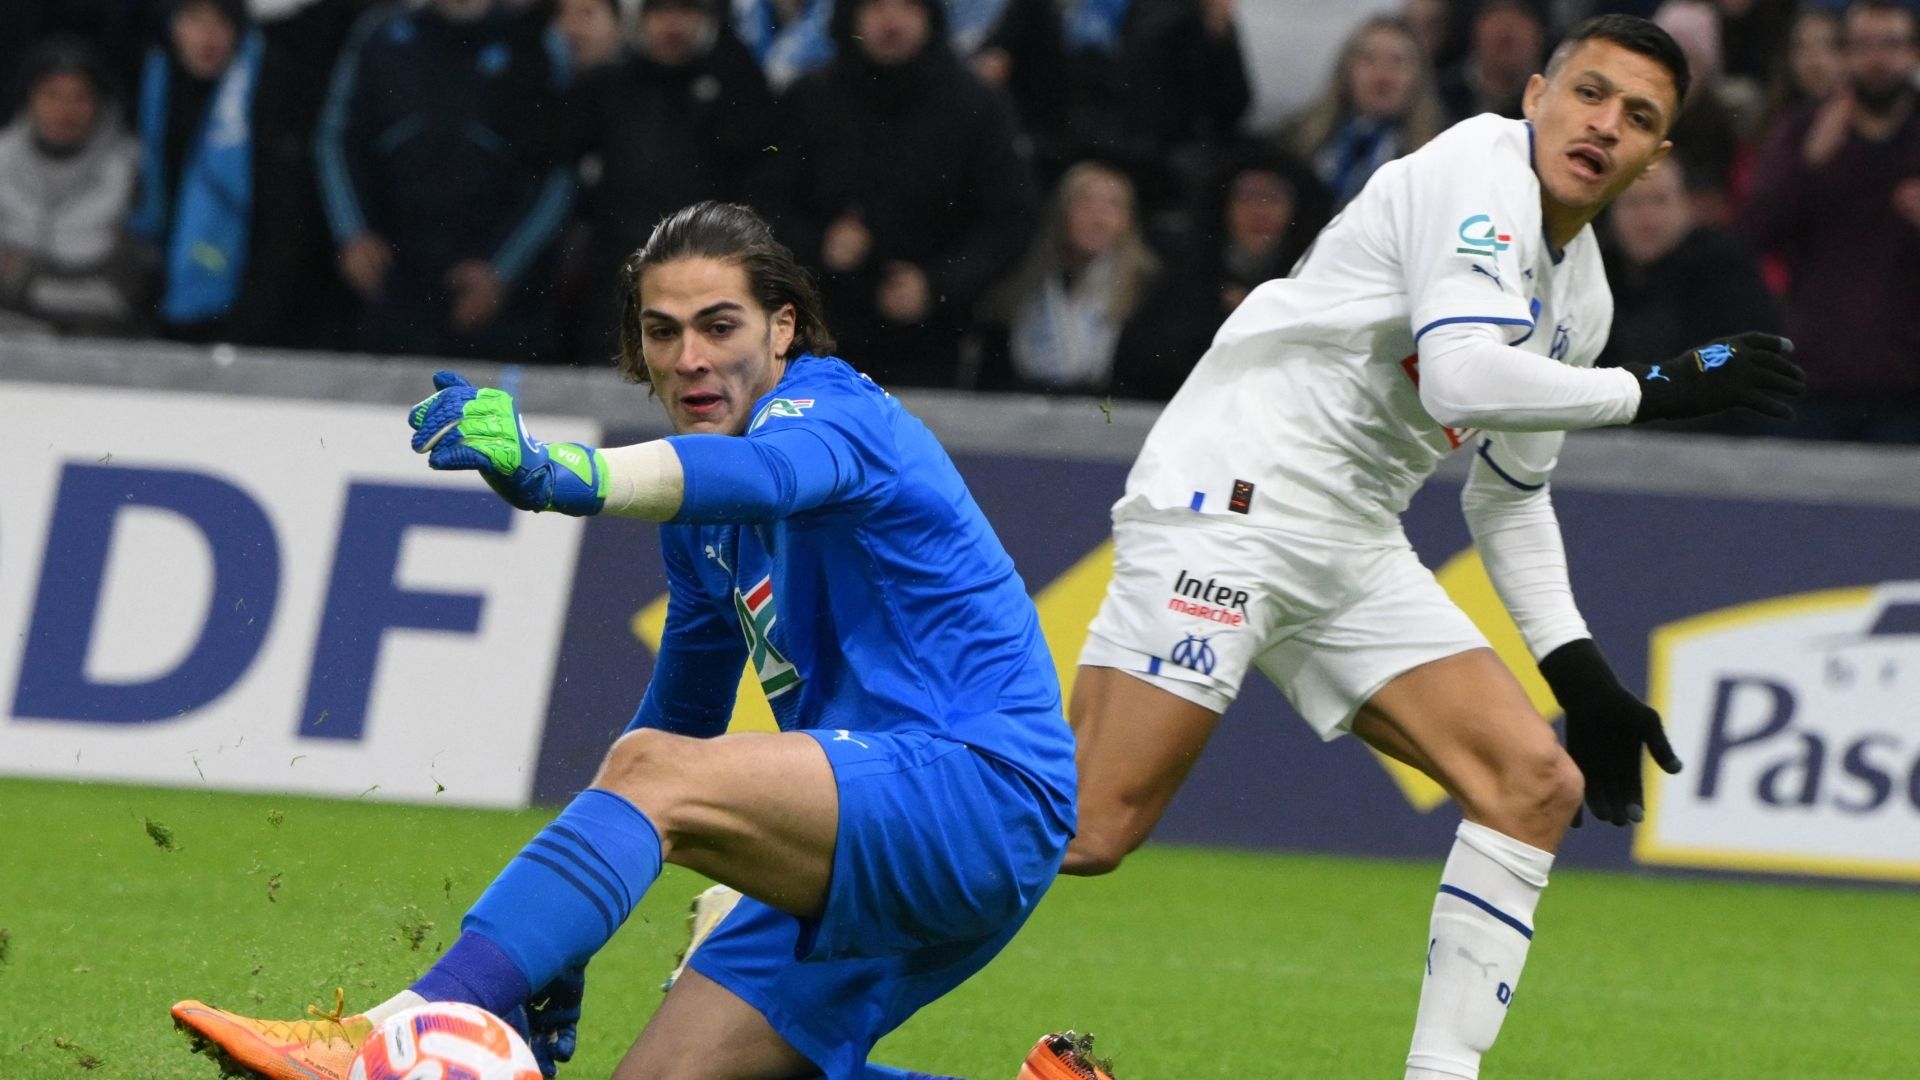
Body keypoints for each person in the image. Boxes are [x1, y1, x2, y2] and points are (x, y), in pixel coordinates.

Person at [170, 201, 1109, 1080]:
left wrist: (555, 474)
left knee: (650, 769)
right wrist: (551, 936)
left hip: (975, 789)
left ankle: (381, 1036)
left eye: (720, 325)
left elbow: (767, 474)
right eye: (663, 332)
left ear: (784, 330)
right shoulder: (699, 526)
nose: (689, 356)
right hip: (870, 823)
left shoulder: (836, 412)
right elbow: (680, 724)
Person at [1063, 15, 1802, 1080]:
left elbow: (1507, 497)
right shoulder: (1474, 162)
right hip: (1237, 491)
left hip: (1352, 539)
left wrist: (1579, 673)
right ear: (1539, 93)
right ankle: (772, 886)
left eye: (1639, 117)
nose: (1605, 124)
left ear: (1658, 157)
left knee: (1532, 785)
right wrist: (1657, 391)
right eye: (1590, 93)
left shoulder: (1580, 297)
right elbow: (1459, 378)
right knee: (1092, 828)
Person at [771, 0, 1036, 387]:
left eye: (908, 6)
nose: (891, 21)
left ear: (930, 17)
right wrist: (818, 246)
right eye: (876, 6)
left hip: (936, 342)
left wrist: (937, 286)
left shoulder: (976, 105)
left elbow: (1012, 219)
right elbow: (765, 200)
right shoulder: (809, 98)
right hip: (818, 334)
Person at [316, 0, 574, 363]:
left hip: (504, 307)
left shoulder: (535, 42)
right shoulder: (381, 34)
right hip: (396, 284)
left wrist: (502, 270)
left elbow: (558, 172)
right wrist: (353, 235)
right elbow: (339, 140)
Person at [1740, 0, 1920, 443]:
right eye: (1862, 45)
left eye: (1891, 44)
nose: (1876, 59)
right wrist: (1807, 165)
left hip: (1909, 389)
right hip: (1817, 380)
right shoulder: (1803, 131)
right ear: (1844, 54)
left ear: (1913, 53)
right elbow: (1752, 233)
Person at [0, 38, 151, 337]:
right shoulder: (3, 158)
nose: (64, 110)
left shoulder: (132, 171)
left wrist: (27, 283)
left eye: (79, 97)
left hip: (95, 350)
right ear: (30, 99)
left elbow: (119, 297)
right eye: (51, 95)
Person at [977, 161, 1164, 396]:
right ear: (1061, 212)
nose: (1098, 218)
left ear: (1128, 221)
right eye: (1085, 202)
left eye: (1113, 205)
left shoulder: (1149, 289)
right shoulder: (1019, 284)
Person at [1598, 157, 1780, 375]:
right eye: (1632, 203)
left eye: (1660, 201)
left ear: (1687, 204)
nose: (1647, 219)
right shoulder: (1596, 274)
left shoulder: (1724, 269)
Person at [1280, 15, 1445, 209]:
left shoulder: (1442, 151)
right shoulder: (1297, 138)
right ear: (1346, 71)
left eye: (1398, 61)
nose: (1383, 75)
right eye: (1369, 59)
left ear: (1418, 76)